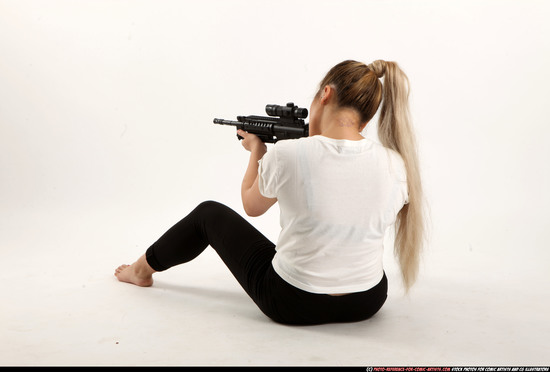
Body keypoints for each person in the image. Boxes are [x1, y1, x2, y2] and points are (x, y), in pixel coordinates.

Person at [115, 60, 425, 325]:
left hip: (294, 302)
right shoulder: (397, 164)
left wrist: (256, 151)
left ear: (326, 94)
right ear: (368, 118)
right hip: (367, 300)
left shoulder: (289, 154)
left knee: (208, 214)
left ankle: (140, 271)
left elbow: (251, 204)